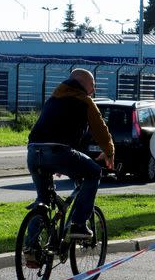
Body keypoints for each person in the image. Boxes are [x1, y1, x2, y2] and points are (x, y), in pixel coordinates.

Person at [24, 68, 114, 261]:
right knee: (94, 173)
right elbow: (100, 129)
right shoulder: (84, 101)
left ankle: (31, 249)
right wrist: (109, 152)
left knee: (43, 199)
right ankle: (79, 224)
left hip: (34, 152)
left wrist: (56, 162)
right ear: (84, 84)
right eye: (93, 85)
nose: (94, 90)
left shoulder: (54, 98)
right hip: (58, 152)